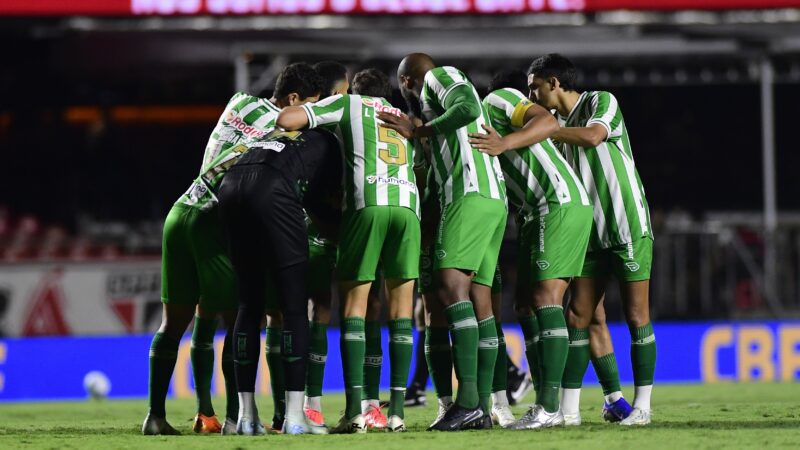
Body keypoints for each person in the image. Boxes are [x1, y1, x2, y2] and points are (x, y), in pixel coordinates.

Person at [141, 62, 321, 436]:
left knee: (172, 323)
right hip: (212, 221)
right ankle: (235, 418)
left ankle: (155, 417)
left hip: (181, 211)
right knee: (238, 320)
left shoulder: (238, 101)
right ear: (292, 100)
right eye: (308, 107)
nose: (308, 117)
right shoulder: (282, 125)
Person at [277, 68, 420, 433]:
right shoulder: (401, 117)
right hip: (408, 208)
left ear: (352, 91)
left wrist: (308, 110)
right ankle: (397, 412)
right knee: (400, 310)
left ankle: (354, 409)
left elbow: (287, 118)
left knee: (352, 306)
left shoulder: (348, 104)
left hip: (366, 204)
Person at [379, 53, 507, 431]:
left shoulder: (439, 77)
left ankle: (467, 401)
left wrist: (417, 132)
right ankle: (480, 406)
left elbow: (467, 106)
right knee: (479, 301)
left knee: (450, 286)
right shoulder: (435, 123)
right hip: (490, 199)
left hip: (469, 194)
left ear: (406, 82)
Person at [527, 53, 655, 426]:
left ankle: (643, 407)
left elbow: (595, 136)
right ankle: (568, 411)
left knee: (636, 315)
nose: (530, 94)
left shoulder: (600, 101)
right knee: (578, 315)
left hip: (625, 225)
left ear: (554, 82)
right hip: (586, 234)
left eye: (534, 86)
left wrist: (546, 130)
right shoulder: (551, 123)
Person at [470, 68, 592, 429]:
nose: (531, 97)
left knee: (546, 299)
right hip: (534, 214)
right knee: (525, 303)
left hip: (556, 204)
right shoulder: (479, 133)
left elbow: (548, 122)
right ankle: (546, 401)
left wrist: (505, 143)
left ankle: (551, 407)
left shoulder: (497, 100)